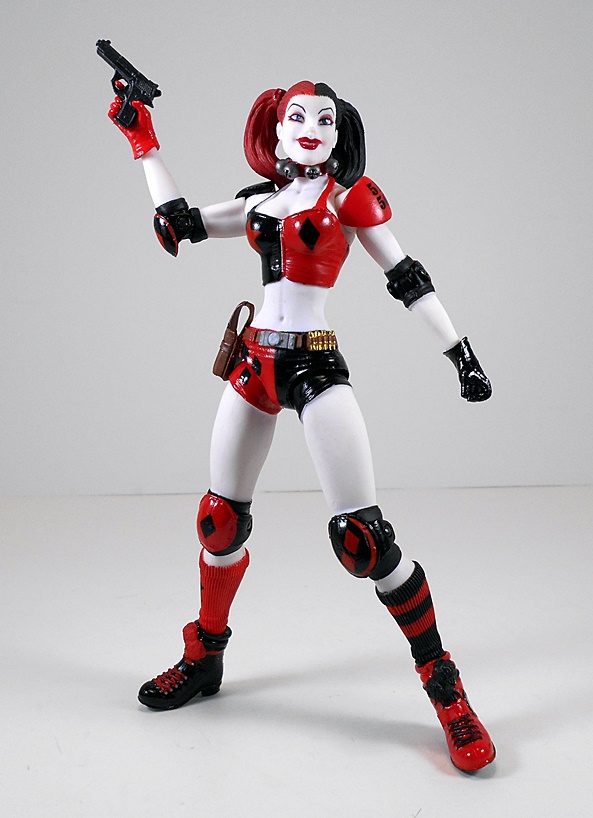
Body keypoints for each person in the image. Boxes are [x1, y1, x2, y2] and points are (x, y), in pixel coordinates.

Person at [106, 80, 495, 772]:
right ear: (276, 130)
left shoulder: (349, 199)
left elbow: (406, 275)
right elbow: (178, 222)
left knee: (364, 541)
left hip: (314, 363)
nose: (310, 126)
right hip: (253, 365)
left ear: (340, 135)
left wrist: (458, 351)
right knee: (218, 522)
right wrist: (143, 138)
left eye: (324, 119)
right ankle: (204, 655)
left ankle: (445, 688)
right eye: (296, 116)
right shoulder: (258, 203)